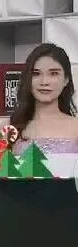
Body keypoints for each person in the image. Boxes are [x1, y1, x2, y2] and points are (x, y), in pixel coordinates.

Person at [8, 43, 78, 175]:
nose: (44, 81)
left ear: (66, 79)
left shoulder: (76, 127)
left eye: (54, 73)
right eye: (36, 73)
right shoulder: (9, 127)